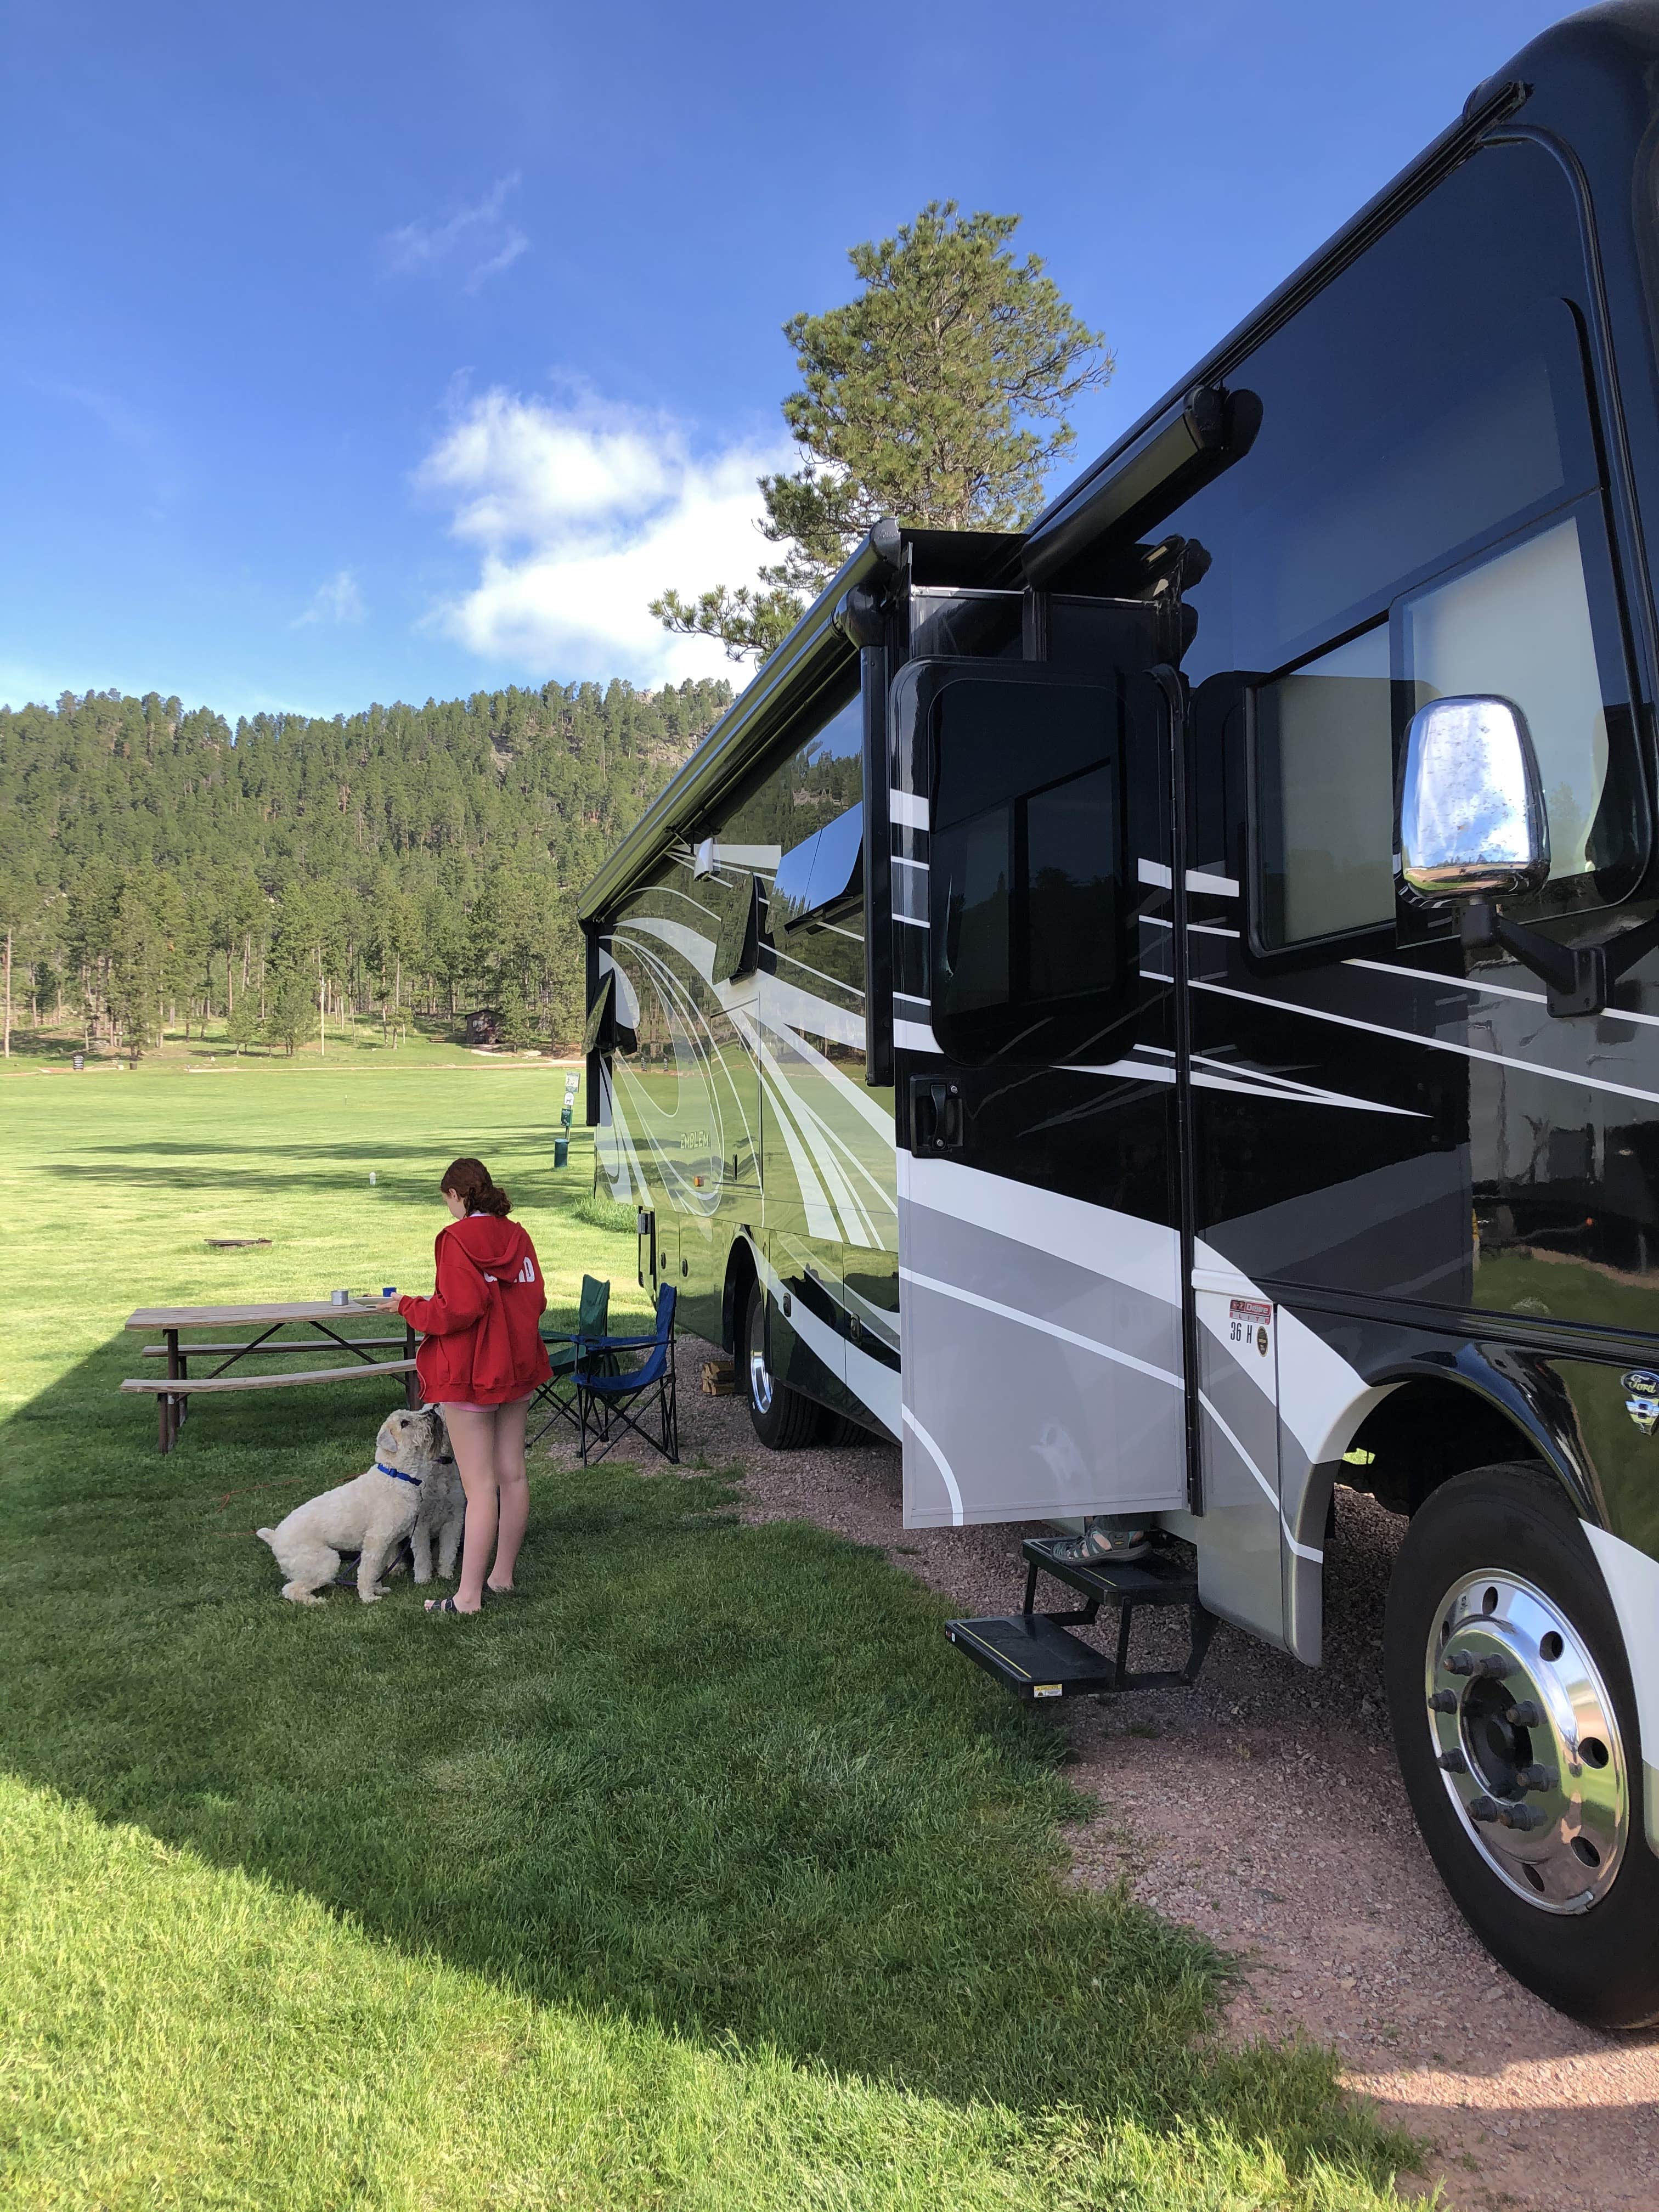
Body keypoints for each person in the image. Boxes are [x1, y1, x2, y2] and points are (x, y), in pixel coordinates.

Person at [377, 1157, 551, 1616]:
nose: (449, 1210)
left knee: (480, 1489)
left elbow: (459, 1309)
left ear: (457, 1195)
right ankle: (502, 1576)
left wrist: (409, 1307)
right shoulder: (518, 1235)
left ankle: (468, 1597)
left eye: (448, 1201)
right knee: (513, 1475)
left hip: (472, 1374)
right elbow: (538, 1298)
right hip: (519, 1365)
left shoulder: (455, 1239)